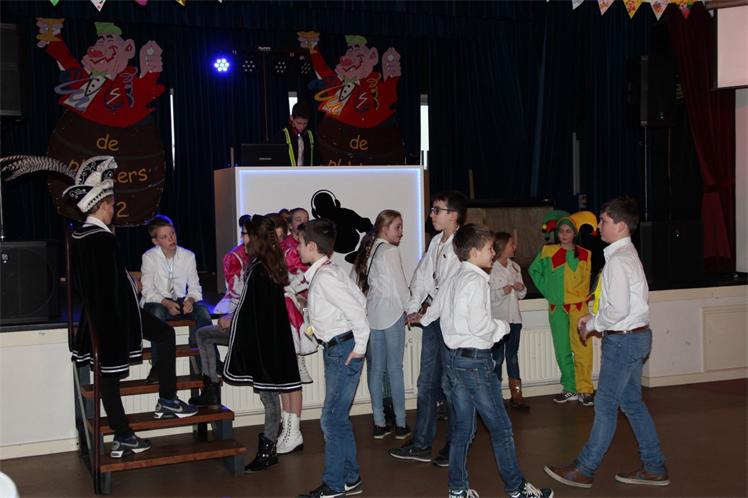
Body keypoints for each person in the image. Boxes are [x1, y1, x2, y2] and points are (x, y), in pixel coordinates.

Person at [65, 156, 197, 458]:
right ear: (102, 205)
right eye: (112, 205)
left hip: (103, 313)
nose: (114, 210)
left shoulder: (81, 235)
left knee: (162, 335)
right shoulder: (100, 238)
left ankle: (165, 402)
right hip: (112, 316)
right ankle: (124, 435)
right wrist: (129, 292)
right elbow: (110, 284)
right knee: (110, 377)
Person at [419, 224, 553, 498]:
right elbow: (479, 326)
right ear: (474, 251)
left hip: (454, 361)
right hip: (475, 363)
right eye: (490, 248)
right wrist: (501, 327)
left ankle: (457, 490)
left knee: (462, 430)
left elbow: (433, 311)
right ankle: (517, 489)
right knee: (501, 428)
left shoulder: (454, 277)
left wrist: (423, 319)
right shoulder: (477, 280)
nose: (494, 252)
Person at [545, 196, 670, 489]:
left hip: (624, 341)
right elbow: (621, 306)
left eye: (604, 221)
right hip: (635, 337)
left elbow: (618, 310)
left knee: (604, 405)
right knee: (632, 403)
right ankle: (654, 466)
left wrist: (592, 323)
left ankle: (584, 469)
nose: (598, 226)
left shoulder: (618, 261)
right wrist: (596, 317)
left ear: (621, 226)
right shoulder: (626, 255)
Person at [389, 191, 466, 467]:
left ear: (453, 215)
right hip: (433, 322)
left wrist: (425, 316)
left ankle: (455, 446)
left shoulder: (462, 246)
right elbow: (422, 277)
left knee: (450, 384)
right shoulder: (435, 241)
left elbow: (447, 290)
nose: (431, 215)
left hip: (451, 323)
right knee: (426, 383)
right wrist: (413, 307)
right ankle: (421, 443)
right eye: (432, 210)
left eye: (437, 210)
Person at [223, 214, 302, 473]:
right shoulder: (267, 264)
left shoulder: (259, 269)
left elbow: (250, 309)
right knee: (271, 396)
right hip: (269, 341)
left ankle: (268, 450)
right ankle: (270, 445)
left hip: (264, 344)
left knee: (269, 397)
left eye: (247, 235)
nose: (243, 239)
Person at [297, 219, 370, 498]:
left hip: (343, 350)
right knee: (338, 418)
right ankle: (350, 478)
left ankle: (334, 484)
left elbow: (358, 312)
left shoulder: (326, 277)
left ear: (311, 246)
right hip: (340, 347)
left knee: (330, 419)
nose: (297, 248)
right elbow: (360, 300)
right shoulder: (331, 271)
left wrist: (359, 347)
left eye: (300, 243)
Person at [352, 210, 411, 439]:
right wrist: (411, 309)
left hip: (373, 314)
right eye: (397, 227)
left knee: (376, 370)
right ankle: (401, 423)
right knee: (395, 369)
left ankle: (379, 422)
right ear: (385, 228)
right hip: (392, 313)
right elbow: (401, 286)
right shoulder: (390, 251)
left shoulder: (370, 250)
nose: (401, 232)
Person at [529, 211, 594, 406]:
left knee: (582, 349)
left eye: (568, 231)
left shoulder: (585, 254)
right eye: (561, 231)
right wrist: (549, 291)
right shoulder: (547, 252)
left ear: (574, 233)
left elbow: (587, 281)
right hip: (556, 308)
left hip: (578, 307)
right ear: (557, 233)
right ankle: (570, 387)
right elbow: (533, 270)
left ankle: (585, 389)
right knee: (562, 349)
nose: (564, 234)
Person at [188, 218, 252, 408]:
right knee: (204, 334)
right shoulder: (239, 257)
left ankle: (214, 386)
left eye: (246, 234)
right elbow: (237, 292)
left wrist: (234, 318)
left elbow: (251, 299)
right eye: (243, 233)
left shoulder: (260, 262)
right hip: (244, 317)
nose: (243, 237)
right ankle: (212, 388)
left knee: (269, 391)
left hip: (251, 324)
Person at [140, 214, 213, 380]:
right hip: (157, 301)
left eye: (172, 233)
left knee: (203, 312)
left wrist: (190, 300)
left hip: (180, 299)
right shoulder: (149, 257)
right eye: (164, 237)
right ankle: (158, 367)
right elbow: (148, 290)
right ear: (155, 241)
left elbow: (195, 287)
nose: (171, 239)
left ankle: (210, 363)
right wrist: (166, 303)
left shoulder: (188, 256)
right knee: (157, 313)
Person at [277, 207, 313, 455]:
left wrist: (300, 295)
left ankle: (294, 429)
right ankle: (288, 425)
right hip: (280, 312)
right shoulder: (278, 251)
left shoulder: (306, 248)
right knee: (283, 376)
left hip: (295, 313)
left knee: (291, 375)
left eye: (305, 220)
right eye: (297, 220)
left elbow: (305, 278)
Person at [489, 232, 529, 410]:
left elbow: (521, 295)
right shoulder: (490, 268)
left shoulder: (515, 267)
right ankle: (495, 396)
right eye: (511, 244)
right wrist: (501, 291)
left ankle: (517, 395)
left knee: (512, 356)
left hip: (514, 319)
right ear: (502, 246)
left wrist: (521, 288)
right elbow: (487, 296)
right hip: (498, 321)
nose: (514, 247)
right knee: (496, 358)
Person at [214, 214, 252, 315]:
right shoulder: (234, 257)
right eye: (243, 233)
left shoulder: (265, 255)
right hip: (237, 304)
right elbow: (234, 289)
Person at [273, 102, 316, 166]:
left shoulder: (311, 135)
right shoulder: (281, 136)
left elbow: (316, 159)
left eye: (305, 123)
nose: (302, 127)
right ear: (291, 118)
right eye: (299, 123)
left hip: (307, 172)